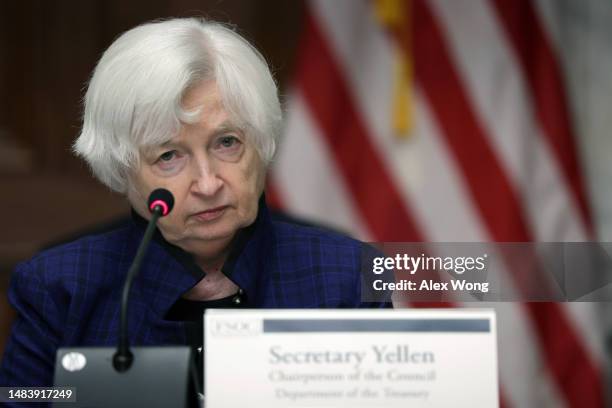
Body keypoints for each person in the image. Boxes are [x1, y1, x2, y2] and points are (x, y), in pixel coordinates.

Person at [0, 17, 389, 388]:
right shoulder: (58, 286)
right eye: (168, 156)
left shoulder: (347, 275)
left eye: (227, 142)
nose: (207, 183)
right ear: (121, 169)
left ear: (262, 143)